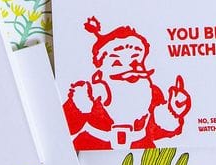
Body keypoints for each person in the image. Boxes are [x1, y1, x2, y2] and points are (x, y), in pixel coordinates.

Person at [63, 17, 191, 149]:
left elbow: (155, 131)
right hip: (94, 147)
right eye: (117, 62)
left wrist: (172, 111)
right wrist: (79, 105)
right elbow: (65, 127)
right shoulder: (89, 94)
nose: (130, 68)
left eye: (136, 60)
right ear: (100, 71)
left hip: (141, 148)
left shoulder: (152, 93)